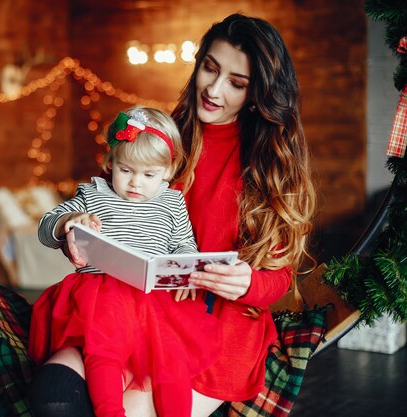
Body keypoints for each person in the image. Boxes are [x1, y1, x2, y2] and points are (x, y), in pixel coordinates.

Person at [27, 12, 316, 417]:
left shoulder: (269, 164)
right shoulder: (163, 135)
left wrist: (249, 282)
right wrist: (72, 233)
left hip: (216, 325)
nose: (214, 90)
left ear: (258, 94)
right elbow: (104, 204)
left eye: (236, 83)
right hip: (128, 306)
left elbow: (280, 278)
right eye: (209, 69)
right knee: (55, 395)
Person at [27, 107, 223, 417]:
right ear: (110, 163)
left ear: (168, 171)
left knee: (171, 359)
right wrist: (69, 221)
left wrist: (184, 267)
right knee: (104, 350)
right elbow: (45, 227)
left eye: (149, 175)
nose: (135, 183)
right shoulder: (93, 195)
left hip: (155, 300)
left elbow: (185, 243)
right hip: (102, 296)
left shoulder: (171, 202)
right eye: (126, 170)